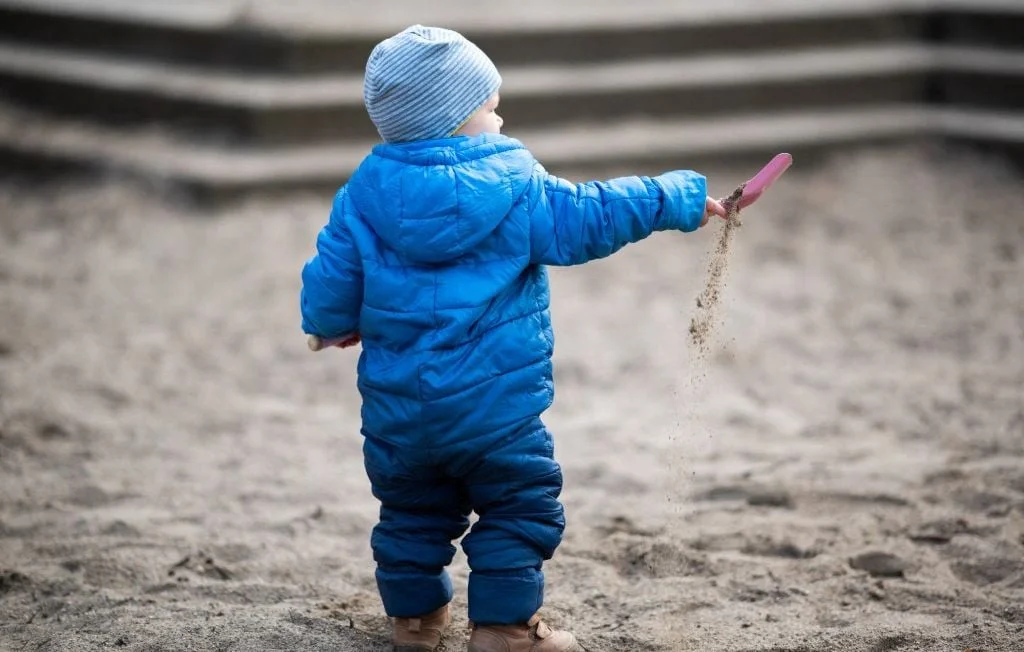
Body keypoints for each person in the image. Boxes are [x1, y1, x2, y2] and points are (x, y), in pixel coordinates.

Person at [300, 24, 727, 652]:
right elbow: (595, 213)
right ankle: (504, 630)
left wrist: (330, 328)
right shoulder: (516, 184)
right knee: (521, 506)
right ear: (454, 119)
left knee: (411, 511)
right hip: (497, 414)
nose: (499, 119)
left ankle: (414, 622)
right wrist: (677, 197)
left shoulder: (360, 196)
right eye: (490, 107)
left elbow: (329, 286)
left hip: (400, 413)